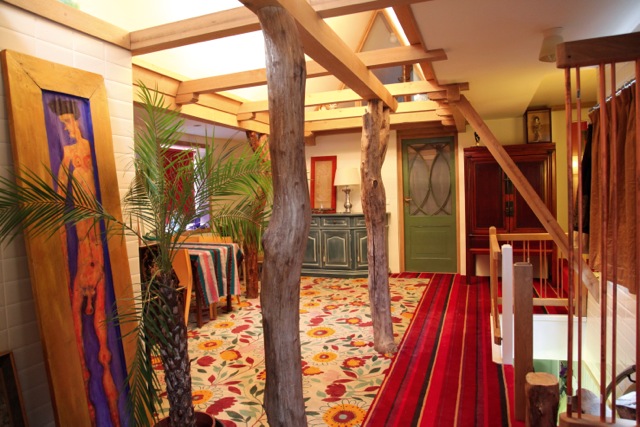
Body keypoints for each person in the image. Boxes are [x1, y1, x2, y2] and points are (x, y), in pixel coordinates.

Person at [47, 98, 121, 427]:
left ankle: (115, 414)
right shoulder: (67, 155)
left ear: (77, 121)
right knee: (81, 329)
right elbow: (58, 194)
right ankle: (91, 414)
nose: (66, 128)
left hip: (97, 245)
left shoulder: (93, 150)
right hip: (82, 243)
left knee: (103, 341)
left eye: (69, 122)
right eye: (62, 124)